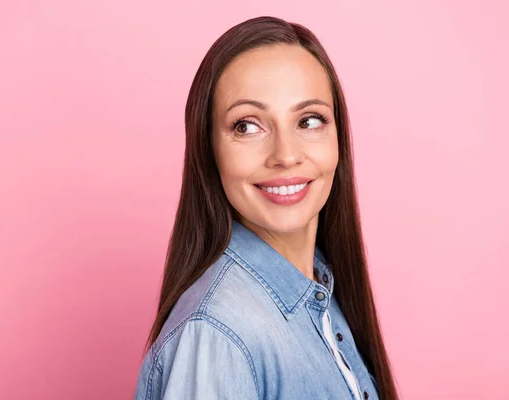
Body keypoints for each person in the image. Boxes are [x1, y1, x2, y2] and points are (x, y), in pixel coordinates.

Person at [134, 15, 399, 400]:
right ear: (209, 150)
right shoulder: (216, 335)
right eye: (247, 126)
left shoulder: (321, 292)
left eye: (309, 120)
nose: (286, 156)